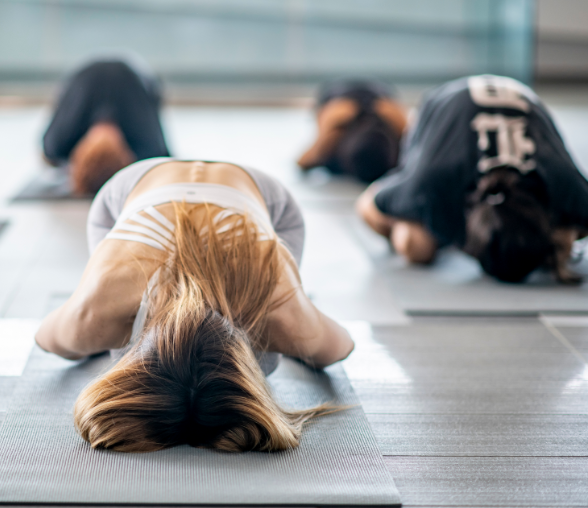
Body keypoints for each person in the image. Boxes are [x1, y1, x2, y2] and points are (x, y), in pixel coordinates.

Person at [35, 158, 354, 453]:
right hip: (144, 192)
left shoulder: (280, 313)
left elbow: (340, 347)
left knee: (276, 351)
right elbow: (48, 339)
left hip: (257, 203)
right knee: (89, 337)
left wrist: (298, 327)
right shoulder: (96, 310)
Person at [356, 75, 588, 283]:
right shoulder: (433, 183)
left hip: (517, 97)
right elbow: (368, 205)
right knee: (415, 245)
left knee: (568, 238)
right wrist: (428, 225)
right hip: (442, 102)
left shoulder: (562, 184)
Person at [42, 59, 170, 195]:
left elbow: (48, 158)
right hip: (130, 74)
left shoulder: (148, 146)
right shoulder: (58, 144)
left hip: (93, 73)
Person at [297, 79, 407, 183]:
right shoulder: (390, 116)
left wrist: (328, 132)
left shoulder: (334, 136)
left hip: (338, 96)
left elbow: (302, 162)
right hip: (380, 94)